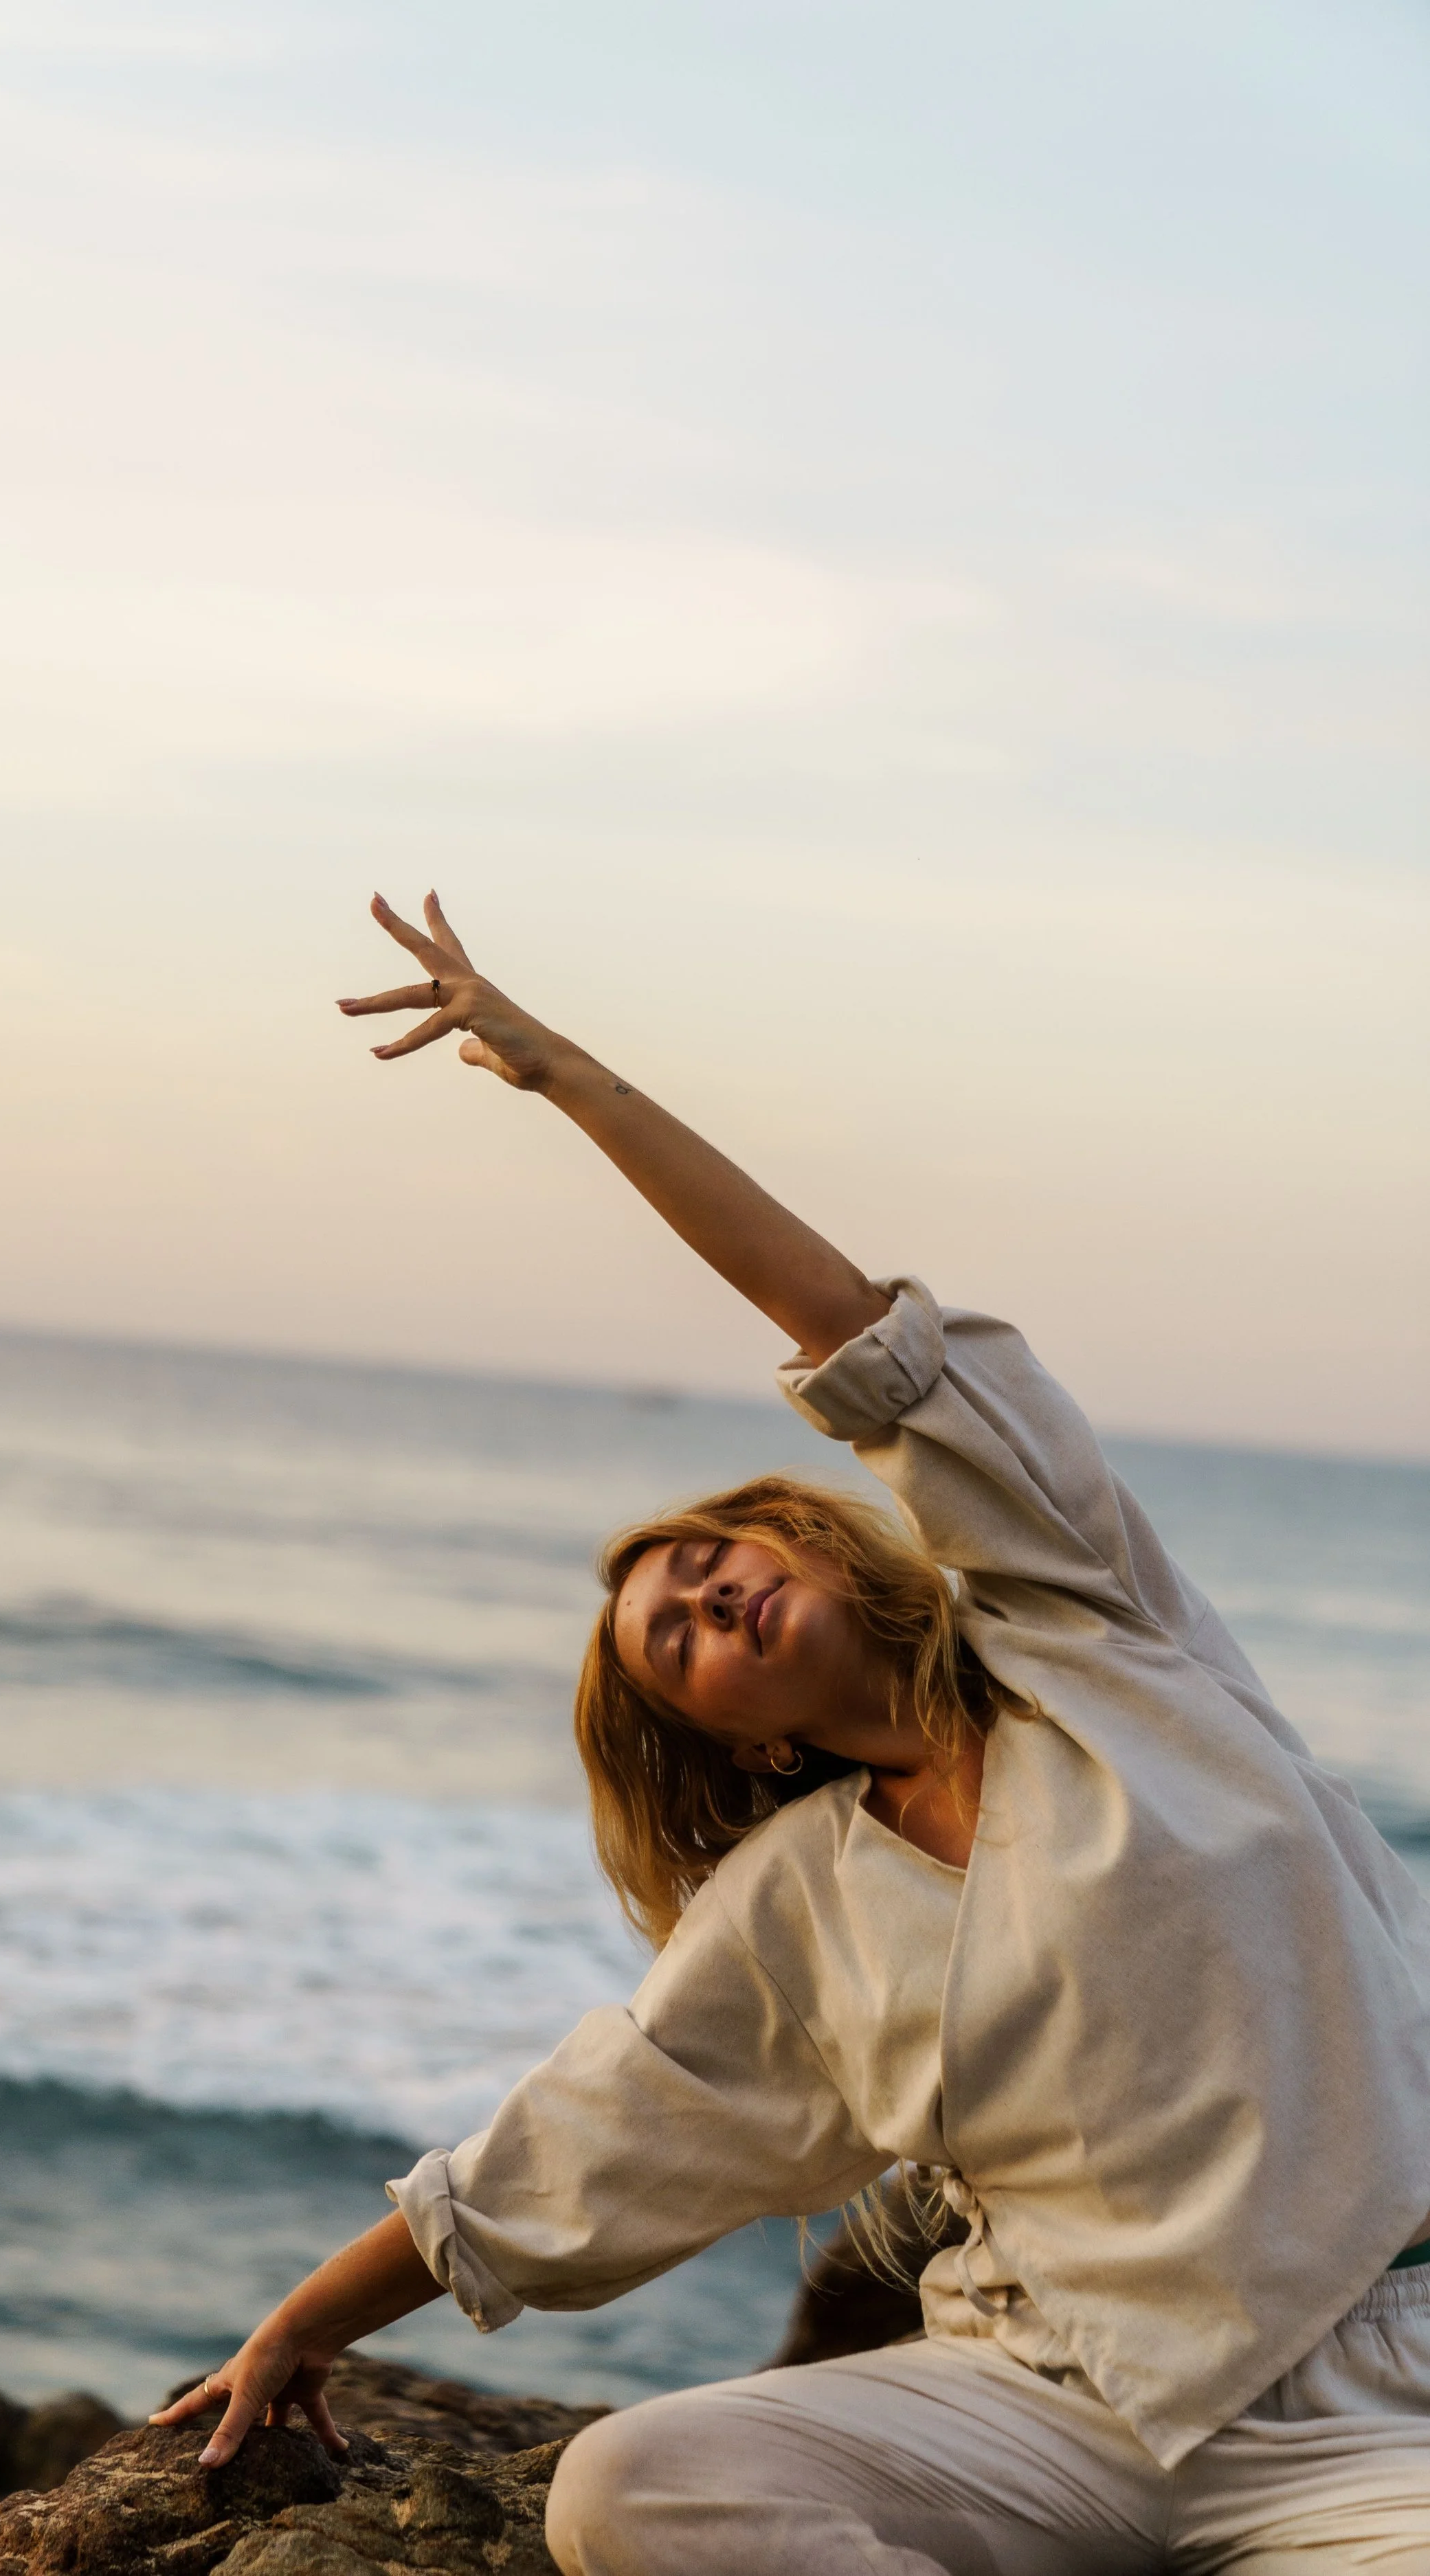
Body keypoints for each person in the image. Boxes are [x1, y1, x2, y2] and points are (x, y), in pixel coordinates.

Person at [152, 895, 1430, 2571]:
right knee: (629, 2486)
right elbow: (579, 2142)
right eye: (670, 1639)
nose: (703, 1603)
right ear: (737, 1740)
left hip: (1365, 2402)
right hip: (1041, 2404)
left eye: (707, 1565)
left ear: (804, 1543)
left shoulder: (1085, 1629)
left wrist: (566, 1078)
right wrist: (304, 2322)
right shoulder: (796, 1900)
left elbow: (840, 1316)